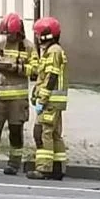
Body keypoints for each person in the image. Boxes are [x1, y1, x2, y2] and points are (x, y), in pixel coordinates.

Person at [0, 13, 37, 175]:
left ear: (19, 32)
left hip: (18, 99)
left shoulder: (28, 47)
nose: (8, 37)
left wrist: (16, 67)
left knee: (15, 131)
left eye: (10, 33)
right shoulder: (0, 45)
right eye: (6, 34)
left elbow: (35, 70)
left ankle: (14, 163)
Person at [30, 16, 68, 180]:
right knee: (54, 134)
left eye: (38, 34)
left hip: (50, 100)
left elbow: (51, 76)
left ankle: (44, 168)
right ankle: (58, 168)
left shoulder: (53, 52)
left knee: (42, 132)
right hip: (55, 101)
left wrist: (42, 99)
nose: (37, 38)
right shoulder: (54, 50)